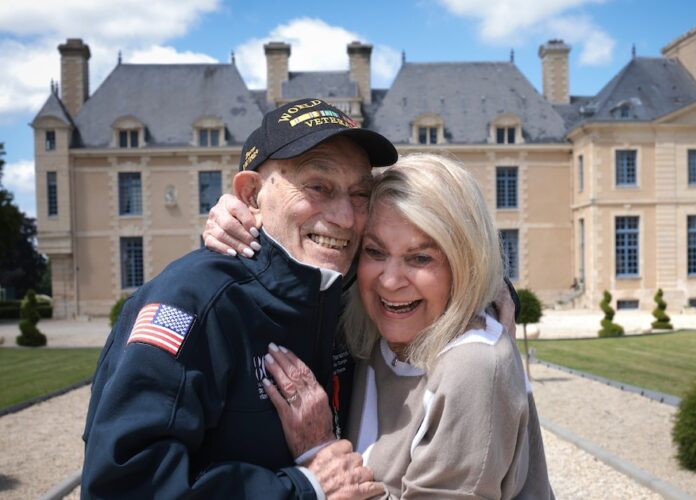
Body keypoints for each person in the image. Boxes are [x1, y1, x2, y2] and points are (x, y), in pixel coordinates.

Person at [81, 98, 399, 499]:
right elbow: (123, 486)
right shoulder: (194, 302)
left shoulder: (348, 296)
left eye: (359, 194)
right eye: (318, 186)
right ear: (250, 195)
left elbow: (436, 253)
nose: (346, 217)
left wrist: (484, 284)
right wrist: (306, 488)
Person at [212, 154, 554, 498]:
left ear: (465, 262)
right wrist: (245, 214)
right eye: (375, 251)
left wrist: (321, 451)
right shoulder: (371, 330)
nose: (389, 282)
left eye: (420, 258)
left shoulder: (473, 366)